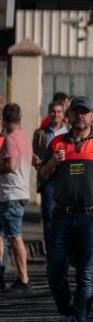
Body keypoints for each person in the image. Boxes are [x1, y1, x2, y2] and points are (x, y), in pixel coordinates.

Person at [38, 97, 93, 322]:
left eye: (85, 112)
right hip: (62, 215)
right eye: (77, 112)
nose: (80, 116)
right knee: (55, 272)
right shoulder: (57, 142)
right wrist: (54, 161)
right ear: (69, 116)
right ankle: (66, 314)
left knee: (86, 276)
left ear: (92, 116)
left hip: (92, 217)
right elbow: (43, 175)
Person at [0, 104, 33, 296]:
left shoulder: (11, 139)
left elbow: (10, 166)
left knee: (15, 237)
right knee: (8, 236)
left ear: (4, 118)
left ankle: (24, 279)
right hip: (16, 193)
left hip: (12, 194)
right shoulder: (24, 137)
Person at [33, 100, 69, 252]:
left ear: (63, 114)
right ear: (49, 113)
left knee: (65, 216)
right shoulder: (41, 133)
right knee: (49, 215)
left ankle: (63, 248)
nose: (56, 114)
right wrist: (36, 161)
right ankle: (50, 249)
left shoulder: (69, 132)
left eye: (59, 112)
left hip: (66, 181)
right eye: (53, 111)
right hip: (48, 180)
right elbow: (32, 153)